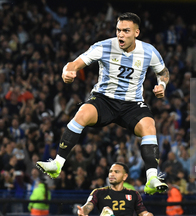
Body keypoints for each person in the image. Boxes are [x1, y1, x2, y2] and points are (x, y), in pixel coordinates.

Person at [36, 12, 169, 195]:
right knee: (82, 113)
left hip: (132, 103)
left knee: (149, 125)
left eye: (126, 31)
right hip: (104, 99)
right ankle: (57, 164)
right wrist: (67, 73)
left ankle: (152, 178)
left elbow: (163, 72)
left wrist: (162, 84)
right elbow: (73, 64)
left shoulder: (149, 51)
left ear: (136, 33)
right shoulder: (103, 47)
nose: (120, 35)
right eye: (118, 30)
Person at [77, 162, 174, 216]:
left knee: (148, 215)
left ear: (125, 176)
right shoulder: (99, 192)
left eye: (116, 172)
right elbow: (88, 205)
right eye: (110, 171)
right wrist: (83, 211)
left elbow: (144, 214)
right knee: (106, 210)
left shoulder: (134, 194)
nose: (112, 174)